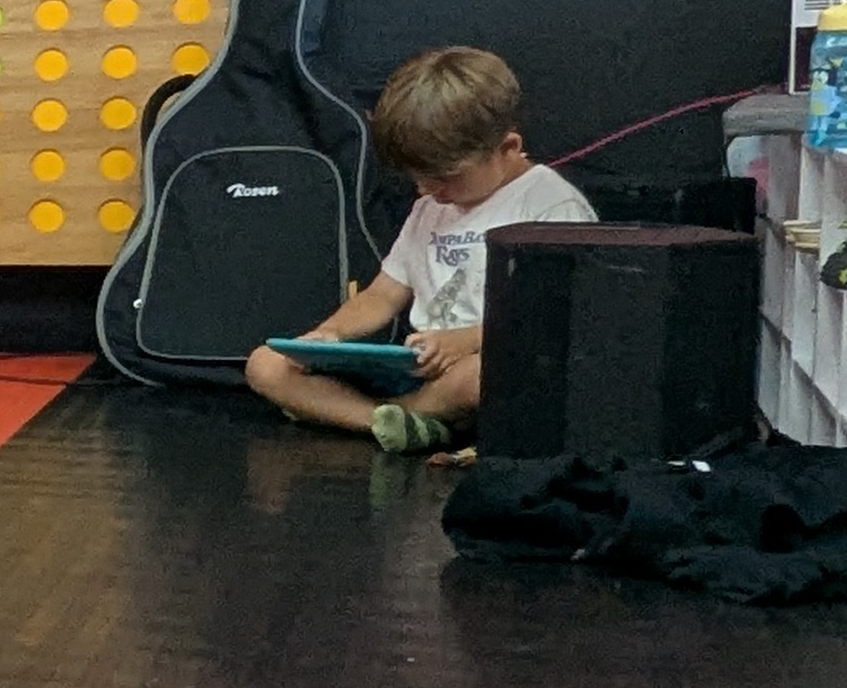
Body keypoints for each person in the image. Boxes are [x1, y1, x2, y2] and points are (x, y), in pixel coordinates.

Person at [245, 45, 595, 453]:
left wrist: (465, 340)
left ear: (508, 148)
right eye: (417, 177)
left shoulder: (551, 204)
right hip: (416, 366)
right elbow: (382, 295)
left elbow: (555, 318)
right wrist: (330, 334)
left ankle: (391, 414)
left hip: (481, 366)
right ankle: (394, 421)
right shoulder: (430, 206)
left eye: (444, 177)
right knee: (265, 364)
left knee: (488, 373)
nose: (427, 190)